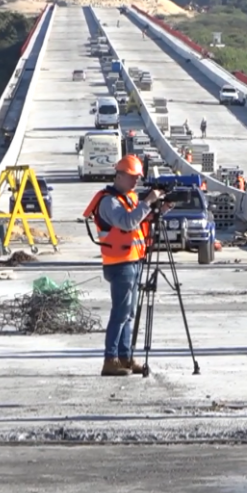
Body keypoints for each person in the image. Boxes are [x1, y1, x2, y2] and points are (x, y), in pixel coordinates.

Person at [82, 154, 173, 377]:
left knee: (129, 313)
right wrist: (148, 201)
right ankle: (110, 359)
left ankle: (125, 357)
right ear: (119, 176)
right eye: (132, 177)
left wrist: (160, 210)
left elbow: (140, 222)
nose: (135, 182)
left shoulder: (129, 198)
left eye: (137, 178)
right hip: (119, 264)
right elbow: (127, 222)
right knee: (120, 313)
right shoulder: (108, 201)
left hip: (133, 260)